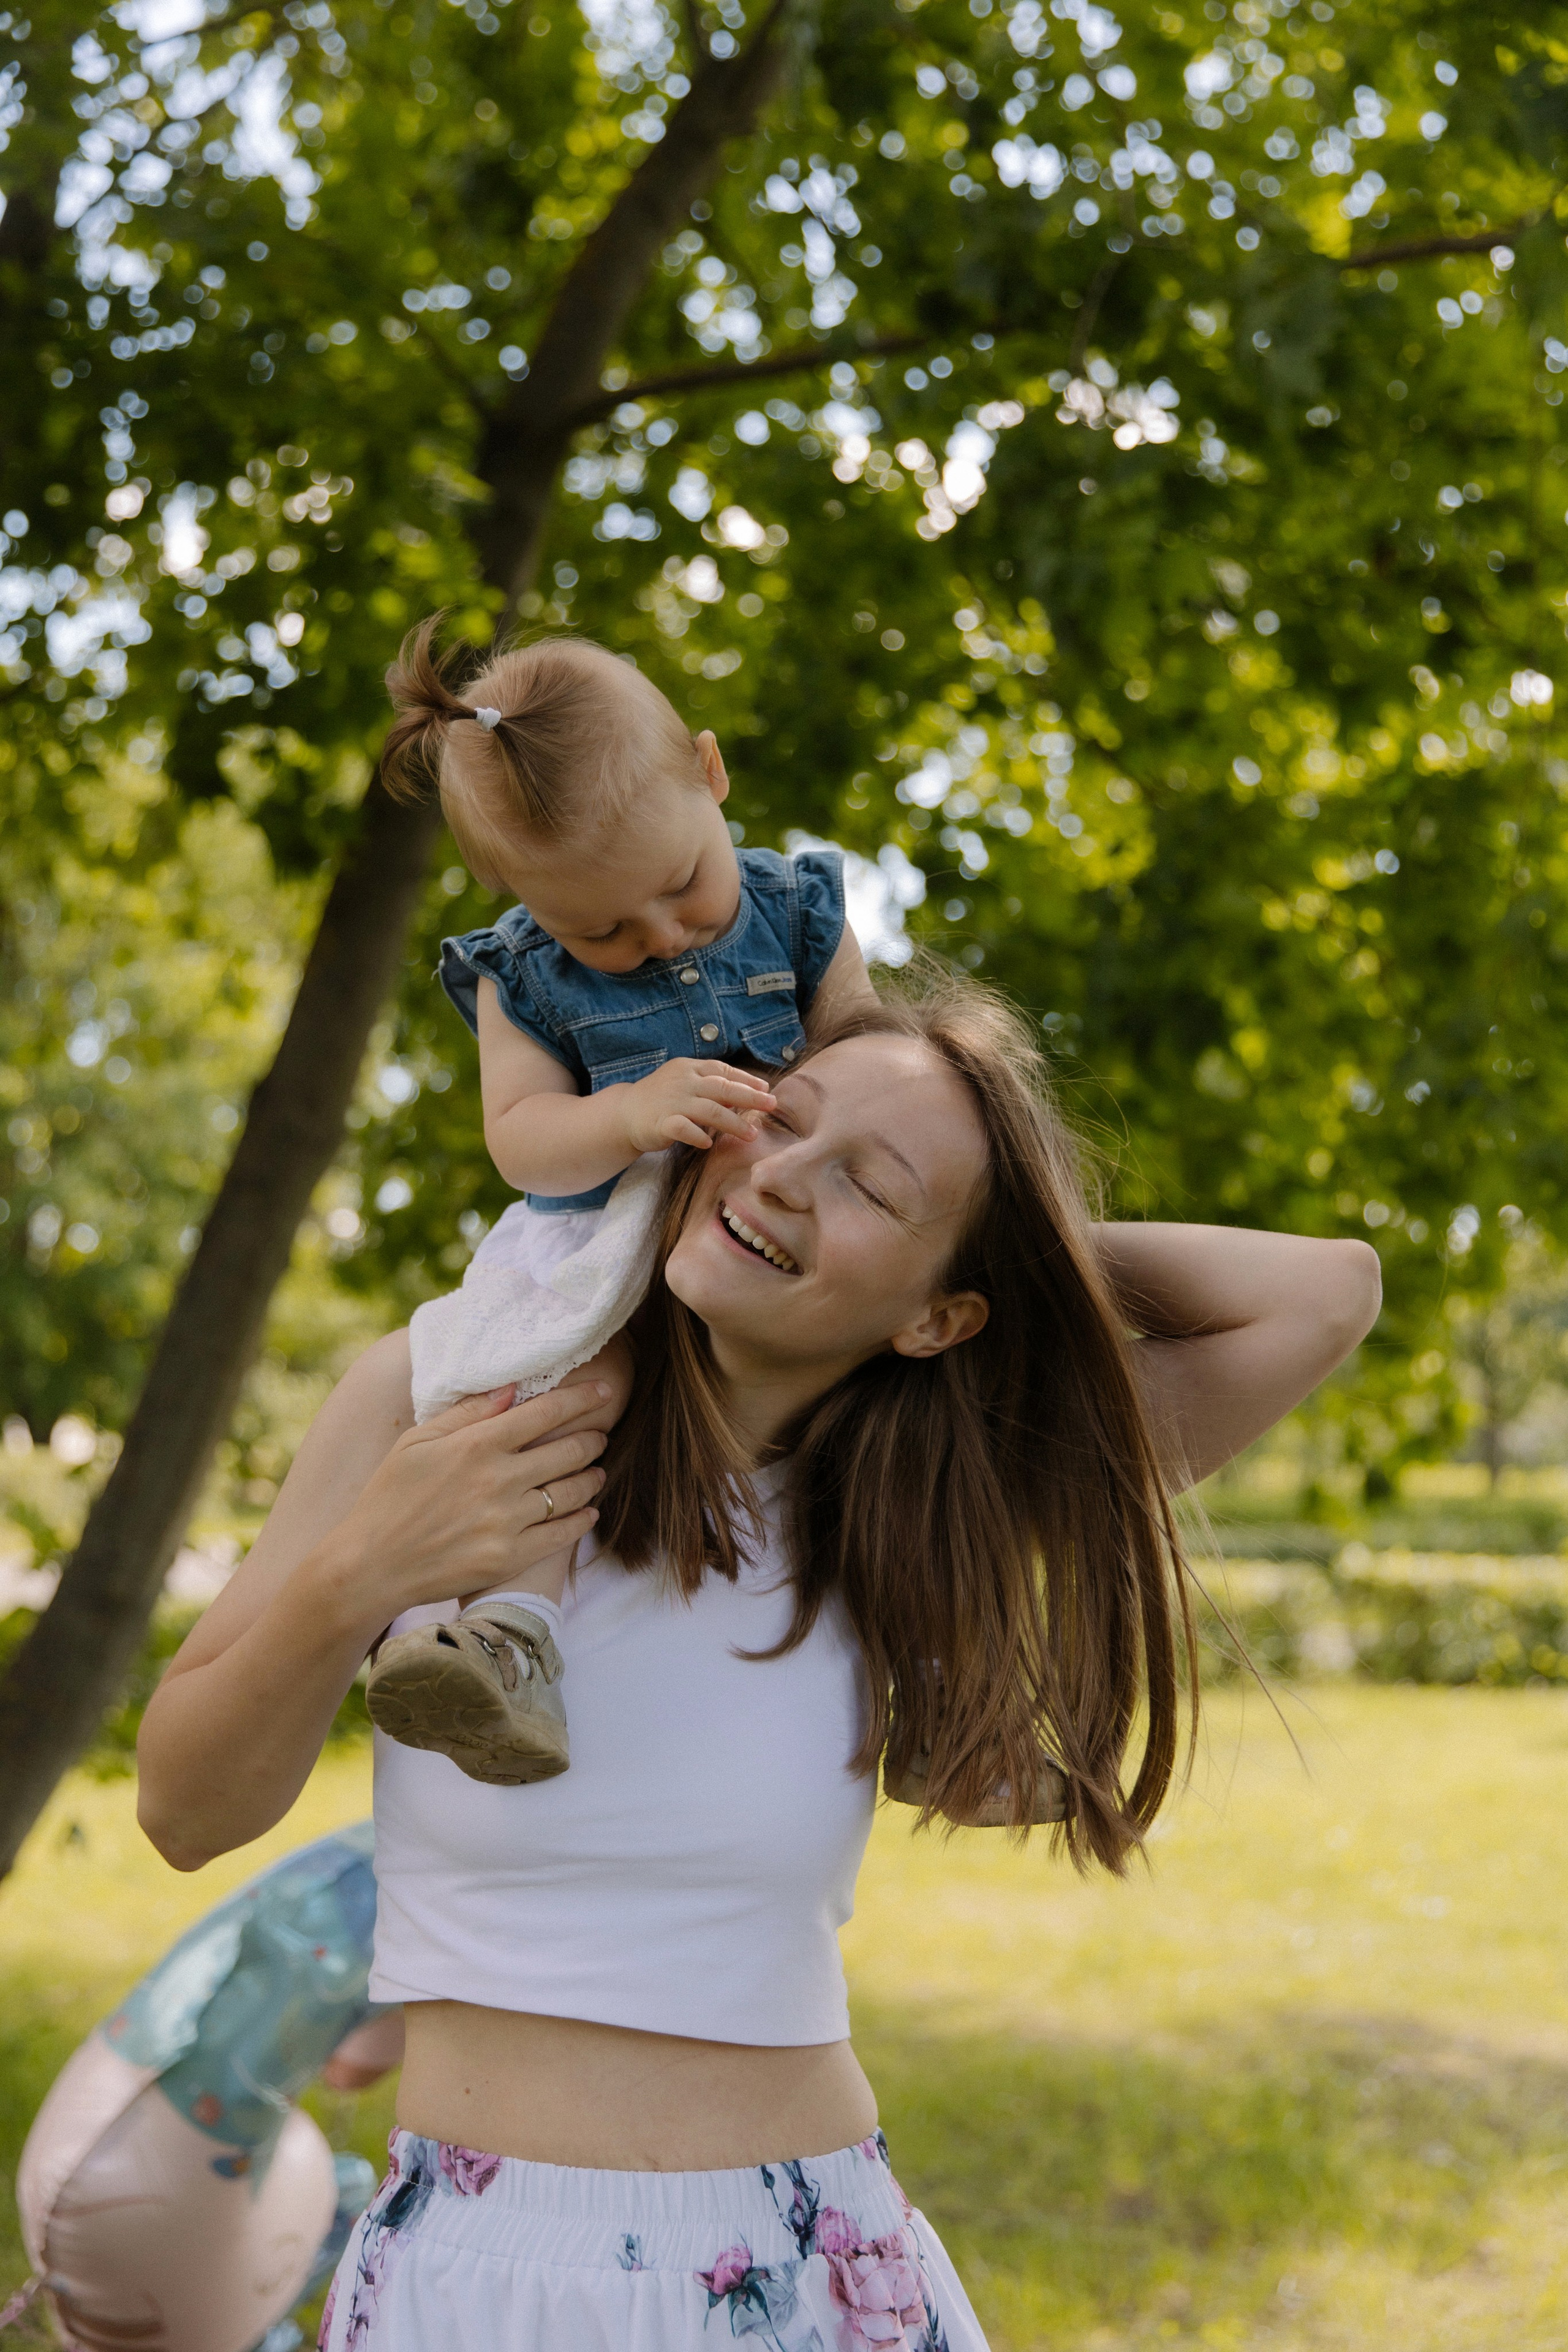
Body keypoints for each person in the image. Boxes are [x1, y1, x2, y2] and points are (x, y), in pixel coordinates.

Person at [137, 973, 1381, 2351]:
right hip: (475, 2272)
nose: (779, 1176)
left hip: (809, 2274)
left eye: (864, 1186)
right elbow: (185, 1812)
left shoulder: (910, 1504)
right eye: (777, 1118)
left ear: (939, 1317)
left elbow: (1322, 1293)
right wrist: (360, 1573)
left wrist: (1002, 1252)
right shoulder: (446, 1401)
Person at [364, 619, 880, 1792]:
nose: (657, 938)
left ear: (710, 773)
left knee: (906, 1403)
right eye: (597, 932)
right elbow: (522, 1142)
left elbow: (868, 1063)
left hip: (776, 1232)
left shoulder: (796, 908)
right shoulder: (517, 979)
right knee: (546, 1408)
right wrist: (627, 1114)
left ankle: (967, 1681)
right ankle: (508, 1640)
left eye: (680, 888)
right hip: (607, 1245)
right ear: (521, 901)